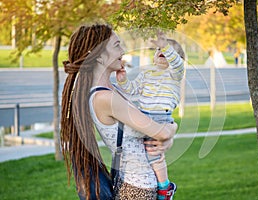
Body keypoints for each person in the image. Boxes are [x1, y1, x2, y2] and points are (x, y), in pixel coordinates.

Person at [60, 23, 178, 200]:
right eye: (116, 45)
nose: (123, 51)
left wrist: (165, 140)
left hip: (142, 186)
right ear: (98, 56)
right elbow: (160, 132)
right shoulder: (105, 99)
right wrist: (171, 130)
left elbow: (153, 134)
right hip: (137, 191)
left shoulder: (114, 90)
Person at [116, 31, 185, 200]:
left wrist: (166, 47)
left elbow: (177, 64)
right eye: (158, 50)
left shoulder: (174, 74)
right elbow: (133, 90)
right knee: (139, 149)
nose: (162, 51)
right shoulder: (146, 73)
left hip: (162, 117)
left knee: (154, 154)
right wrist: (123, 80)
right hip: (144, 116)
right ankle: (150, 182)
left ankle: (164, 187)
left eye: (169, 51)